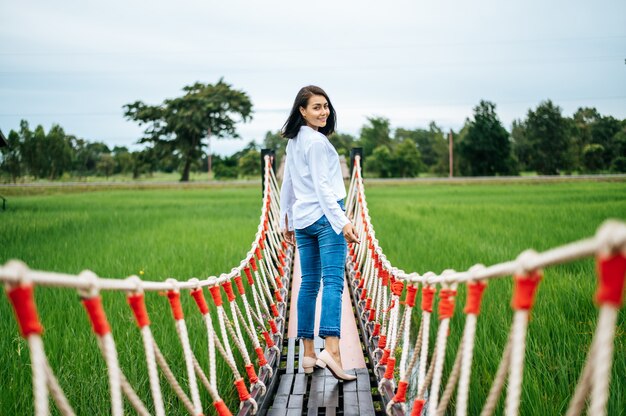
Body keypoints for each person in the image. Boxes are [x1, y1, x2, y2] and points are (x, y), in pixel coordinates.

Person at [279, 85, 360, 381]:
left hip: (303, 220)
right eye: (316, 107)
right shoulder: (316, 143)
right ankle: (334, 352)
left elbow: (288, 184)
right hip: (327, 217)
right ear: (302, 110)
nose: (323, 112)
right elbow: (323, 187)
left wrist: (285, 218)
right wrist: (342, 221)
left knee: (309, 284)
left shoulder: (294, 141)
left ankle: (309, 354)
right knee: (334, 284)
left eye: (325, 106)